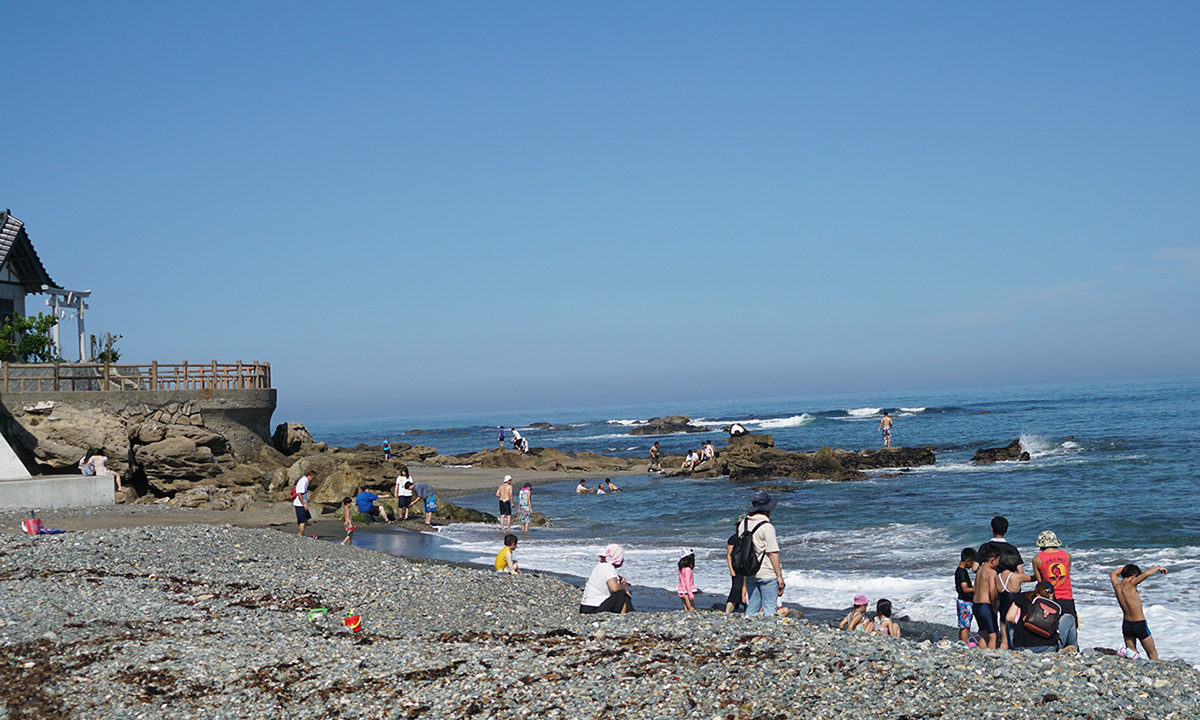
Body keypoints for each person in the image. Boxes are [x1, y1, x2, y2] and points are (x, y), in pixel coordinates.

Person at [736, 492, 785, 617]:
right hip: (766, 572)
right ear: (767, 509)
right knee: (769, 608)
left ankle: (749, 631)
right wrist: (779, 576)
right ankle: (768, 633)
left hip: (749, 571)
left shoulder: (743, 524)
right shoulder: (767, 527)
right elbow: (773, 553)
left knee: (752, 607)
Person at [1111, 563, 1168, 660]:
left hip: (1127, 625)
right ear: (1134, 576)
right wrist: (1158, 568)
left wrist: (1126, 568)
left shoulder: (1117, 586)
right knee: (1153, 655)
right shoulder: (1131, 584)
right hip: (1139, 625)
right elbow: (1147, 574)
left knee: (1131, 656)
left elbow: (1113, 573)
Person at [1005, 580, 1078, 653]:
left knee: (1008, 621)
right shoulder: (1055, 605)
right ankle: (1073, 651)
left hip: (1021, 647)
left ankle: (1011, 649)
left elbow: (1009, 618)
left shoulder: (1023, 596)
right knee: (1069, 617)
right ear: (1051, 594)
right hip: (1048, 648)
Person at [1033, 531, 1076, 623]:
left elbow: (1041, 583)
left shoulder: (1037, 559)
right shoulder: (1067, 556)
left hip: (1049, 599)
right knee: (1070, 628)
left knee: (1051, 629)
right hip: (1067, 598)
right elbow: (1067, 574)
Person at [579, 544, 633, 614]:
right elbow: (614, 588)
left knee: (620, 592)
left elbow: (605, 576)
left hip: (585, 607)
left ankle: (629, 613)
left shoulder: (600, 566)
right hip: (594, 608)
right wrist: (624, 589)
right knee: (621, 593)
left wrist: (619, 578)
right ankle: (623, 616)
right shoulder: (609, 567)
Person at [996, 546, 1032, 649]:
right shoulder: (1017, 576)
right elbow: (1034, 578)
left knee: (1004, 640)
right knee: (1017, 637)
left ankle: (1002, 657)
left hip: (1002, 609)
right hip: (1015, 611)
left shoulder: (997, 577)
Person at [972, 542, 1001, 649]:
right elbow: (992, 591)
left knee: (983, 634)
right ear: (992, 560)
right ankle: (991, 657)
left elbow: (975, 588)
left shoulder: (979, 570)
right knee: (993, 635)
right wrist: (994, 606)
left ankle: (982, 655)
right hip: (986, 606)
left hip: (976, 605)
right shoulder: (991, 572)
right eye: (998, 560)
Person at [955, 547, 978, 643]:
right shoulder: (962, 572)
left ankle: (962, 642)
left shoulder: (960, 571)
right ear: (968, 561)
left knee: (964, 625)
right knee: (965, 626)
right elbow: (965, 589)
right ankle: (964, 644)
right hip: (965, 602)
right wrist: (977, 589)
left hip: (962, 601)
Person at [724, 528, 748, 614]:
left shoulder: (749, 537)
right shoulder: (733, 538)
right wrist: (731, 569)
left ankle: (746, 608)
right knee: (736, 589)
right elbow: (729, 555)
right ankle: (728, 611)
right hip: (737, 567)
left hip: (747, 566)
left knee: (747, 588)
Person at [293, 470, 315, 536]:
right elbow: (299, 494)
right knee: (302, 521)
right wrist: (304, 504)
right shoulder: (303, 481)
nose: (312, 480)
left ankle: (301, 533)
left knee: (307, 517)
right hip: (300, 504)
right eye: (312, 478)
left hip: (303, 504)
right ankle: (301, 535)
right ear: (309, 476)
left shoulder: (306, 481)